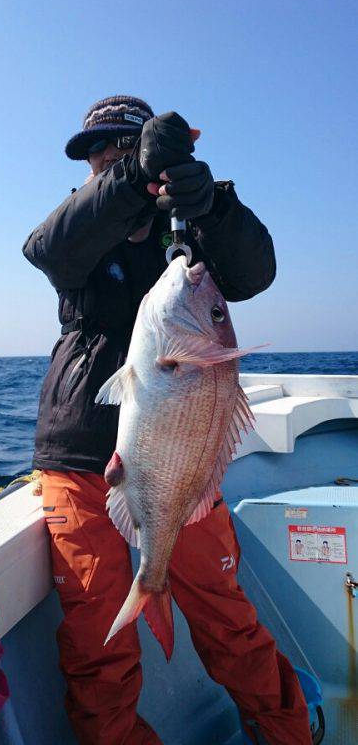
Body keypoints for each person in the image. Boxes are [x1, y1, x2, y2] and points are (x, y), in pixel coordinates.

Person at [23, 96, 312, 745]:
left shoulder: (188, 223)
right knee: (99, 647)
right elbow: (46, 251)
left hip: (181, 458)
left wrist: (212, 206)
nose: (108, 157)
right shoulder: (82, 223)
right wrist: (130, 181)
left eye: (125, 145)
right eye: (100, 150)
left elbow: (253, 272)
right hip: (80, 455)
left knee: (229, 626)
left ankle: (292, 733)